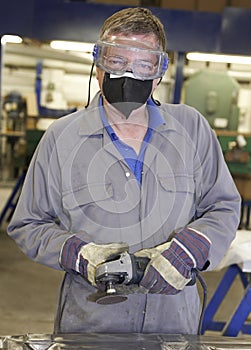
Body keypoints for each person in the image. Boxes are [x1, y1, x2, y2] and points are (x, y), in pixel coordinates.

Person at [8, 7, 241, 335]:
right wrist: (80, 255)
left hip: (174, 323)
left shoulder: (193, 129)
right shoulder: (61, 138)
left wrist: (190, 248)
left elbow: (223, 206)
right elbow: (29, 223)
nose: (128, 75)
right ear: (98, 65)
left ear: (159, 73)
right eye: (116, 62)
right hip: (91, 324)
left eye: (143, 65)